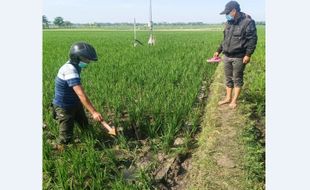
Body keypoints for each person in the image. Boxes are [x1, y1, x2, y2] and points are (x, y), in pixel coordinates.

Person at [51, 42, 109, 149]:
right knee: (66, 137)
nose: (88, 62)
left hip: (75, 102)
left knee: (85, 127)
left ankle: (90, 141)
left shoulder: (76, 65)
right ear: (76, 57)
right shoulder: (69, 69)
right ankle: (61, 150)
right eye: (86, 59)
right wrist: (94, 112)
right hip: (64, 106)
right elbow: (81, 94)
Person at [214, 1, 257, 109]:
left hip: (239, 56)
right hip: (227, 55)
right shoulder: (229, 22)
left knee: (237, 78)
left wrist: (248, 54)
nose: (226, 15)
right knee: (228, 78)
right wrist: (218, 50)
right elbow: (225, 39)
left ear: (234, 11)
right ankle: (228, 98)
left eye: (227, 12)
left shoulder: (248, 22)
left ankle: (234, 100)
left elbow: (252, 40)